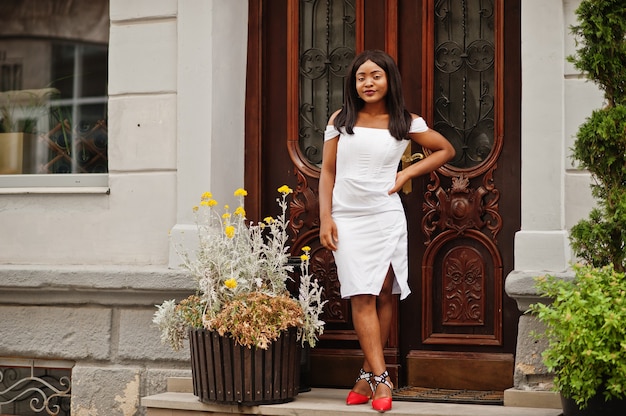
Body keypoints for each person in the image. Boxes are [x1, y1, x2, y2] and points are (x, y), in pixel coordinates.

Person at [318, 49, 455, 413]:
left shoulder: (405, 121)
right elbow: (327, 172)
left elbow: (445, 150)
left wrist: (408, 172)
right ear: (354, 82)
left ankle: (367, 375)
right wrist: (325, 218)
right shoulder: (341, 119)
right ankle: (382, 378)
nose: (368, 82)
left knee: (383, 291)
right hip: (346, 216)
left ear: (388, 79)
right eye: (361, 76)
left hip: (384, 215)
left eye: (375, 75)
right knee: (360, 292)